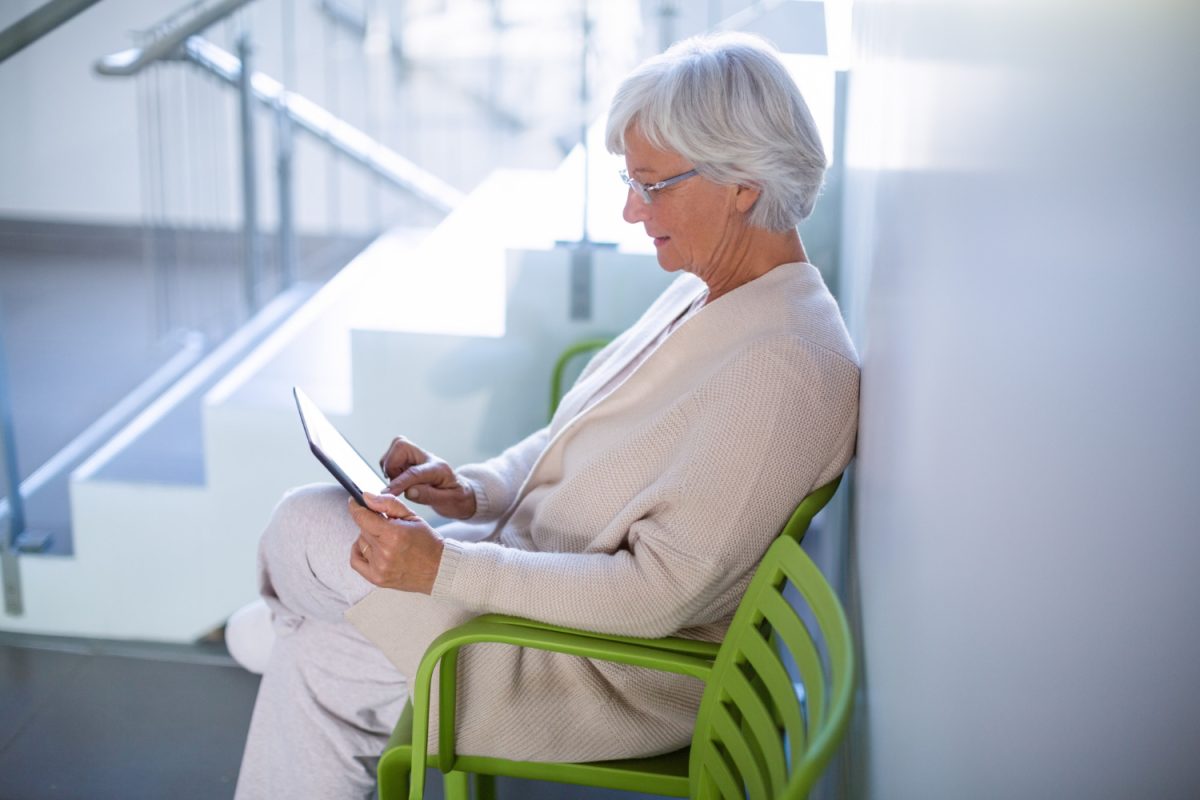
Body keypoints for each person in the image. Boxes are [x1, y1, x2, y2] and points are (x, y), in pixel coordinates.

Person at [234, 31, 859, 799]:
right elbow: (579, 430)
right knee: (321, 645)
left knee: (307, 528)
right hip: (528, 589)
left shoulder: (786, 369)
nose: (632, 210)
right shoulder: (714, 293)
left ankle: (283, 620)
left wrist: (447, 567)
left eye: (652, 184)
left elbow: (659, 595)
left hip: (586, 669)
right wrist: (473, 490)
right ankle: (298, 626)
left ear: (742, 182)